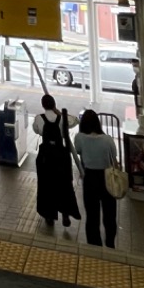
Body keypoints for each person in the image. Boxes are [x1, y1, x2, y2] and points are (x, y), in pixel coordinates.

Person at [32, 94, 80, 228]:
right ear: (54, 104)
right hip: (61, 156)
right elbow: (75, 121)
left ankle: (49, 216)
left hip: (46, 157)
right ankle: (65, 213)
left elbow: (36, 130)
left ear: (42, 105)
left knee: (46, 185)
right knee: (64, 185)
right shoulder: (61, 118)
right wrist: (59, 112)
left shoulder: (38, 118)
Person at [74, 109, 118, 248]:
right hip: (107, 177)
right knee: (110, 214)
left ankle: (94, 244)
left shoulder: (79, 138)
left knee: (92, 216)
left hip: (90, 178)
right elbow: (114, 156)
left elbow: (78, 151)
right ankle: (110, 242)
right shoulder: (107, 139)